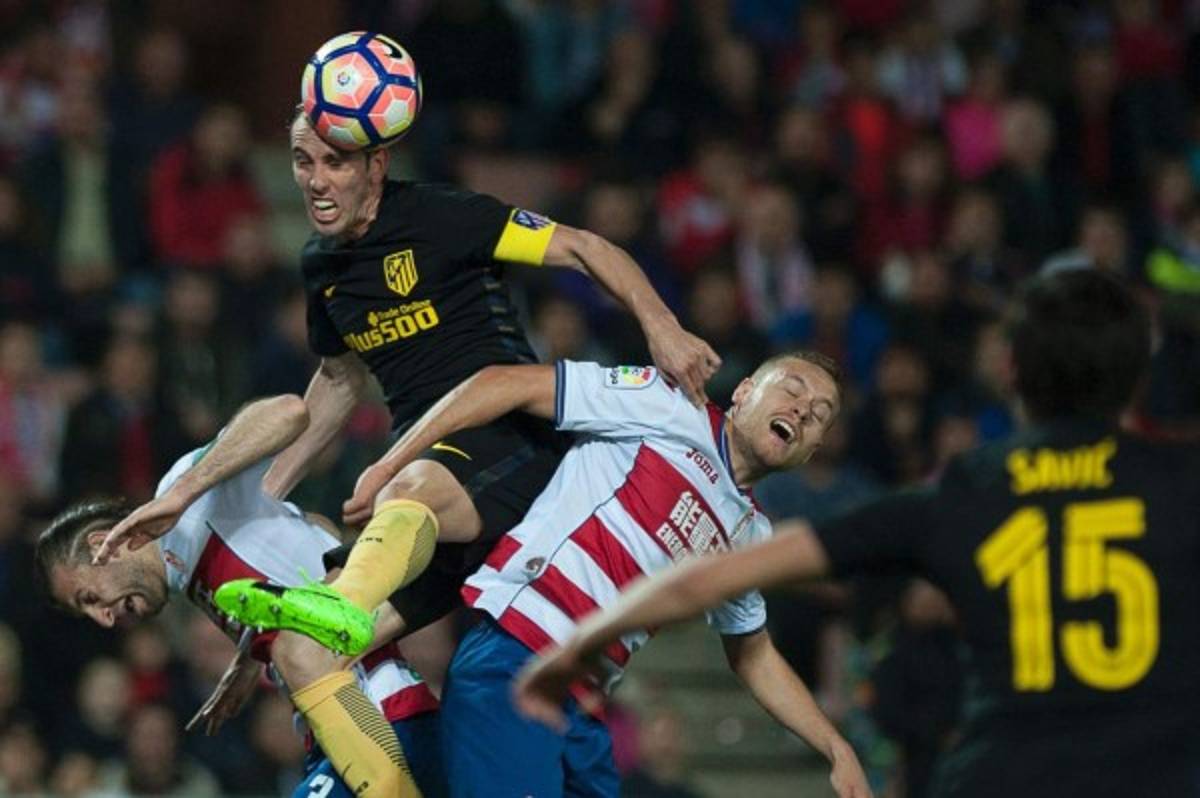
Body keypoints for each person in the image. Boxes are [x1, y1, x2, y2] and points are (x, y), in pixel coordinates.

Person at [514, 270, 1199, 798]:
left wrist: (571, 646)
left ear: (1012, 371)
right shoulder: (1183, 481)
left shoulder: (961, 493)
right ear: (1140, 376)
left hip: (1006, 776)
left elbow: (706, 578)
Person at [183, 105, 719, 669]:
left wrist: (662, 326)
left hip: (510, 440)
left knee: (403, 493)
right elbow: (340, 378)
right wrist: (265, 495)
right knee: (307, 656)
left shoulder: (442, 215)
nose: (315, 180)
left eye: (335, 162)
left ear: (377, 164)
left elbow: (585, 248)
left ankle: (340, 597)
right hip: (431, 477)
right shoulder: (322, 267)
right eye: (302, 161)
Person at [225, 351, 872, 797]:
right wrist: (393, 461)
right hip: (518, 659)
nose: (807, 409)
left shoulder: (749, 532)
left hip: (582, 707)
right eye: (793, 388)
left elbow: (753, 653)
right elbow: (504, 384)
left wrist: (836, 748)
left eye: (822, 414)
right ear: (744, 392)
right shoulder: (664, 403)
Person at [38, 395, 443, 798]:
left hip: (377, 711)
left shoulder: (185, 501)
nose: (103, 619)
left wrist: (182, 493)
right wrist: (251, 655)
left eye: (89, 597)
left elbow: (288, 412)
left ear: (100, 546)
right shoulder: (184, 572)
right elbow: (315, 535)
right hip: (347, 727)